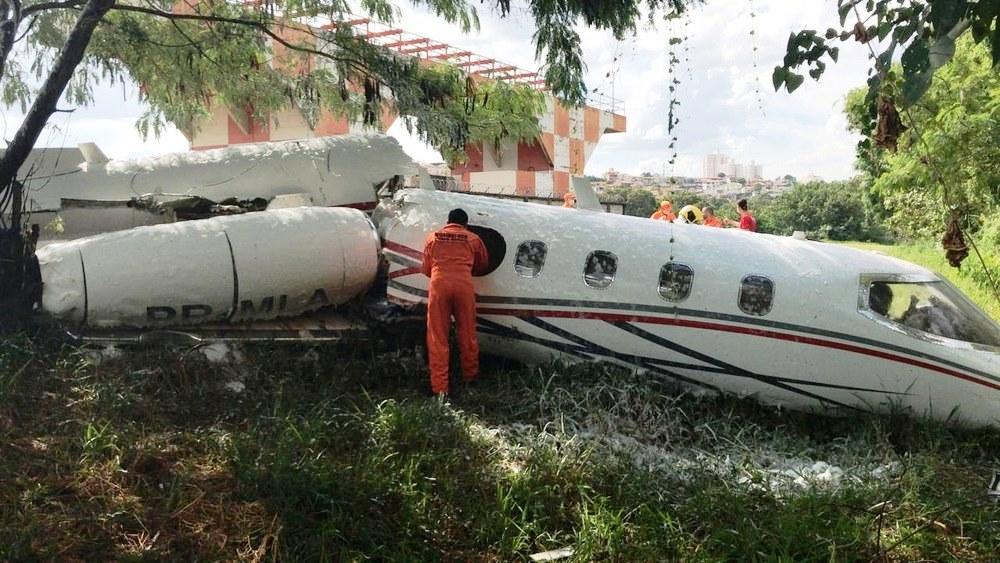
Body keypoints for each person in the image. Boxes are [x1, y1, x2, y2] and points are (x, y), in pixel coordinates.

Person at [421, 208, 489, 397]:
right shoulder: (473, 239)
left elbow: (426, 268)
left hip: (439, 285)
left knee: (437, 337)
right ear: (465, 224)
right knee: (467, 334)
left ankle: (440, 389)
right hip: (464, 286)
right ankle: (470, 380)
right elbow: (483, 265)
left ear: (447, 221)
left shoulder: (433, 237)